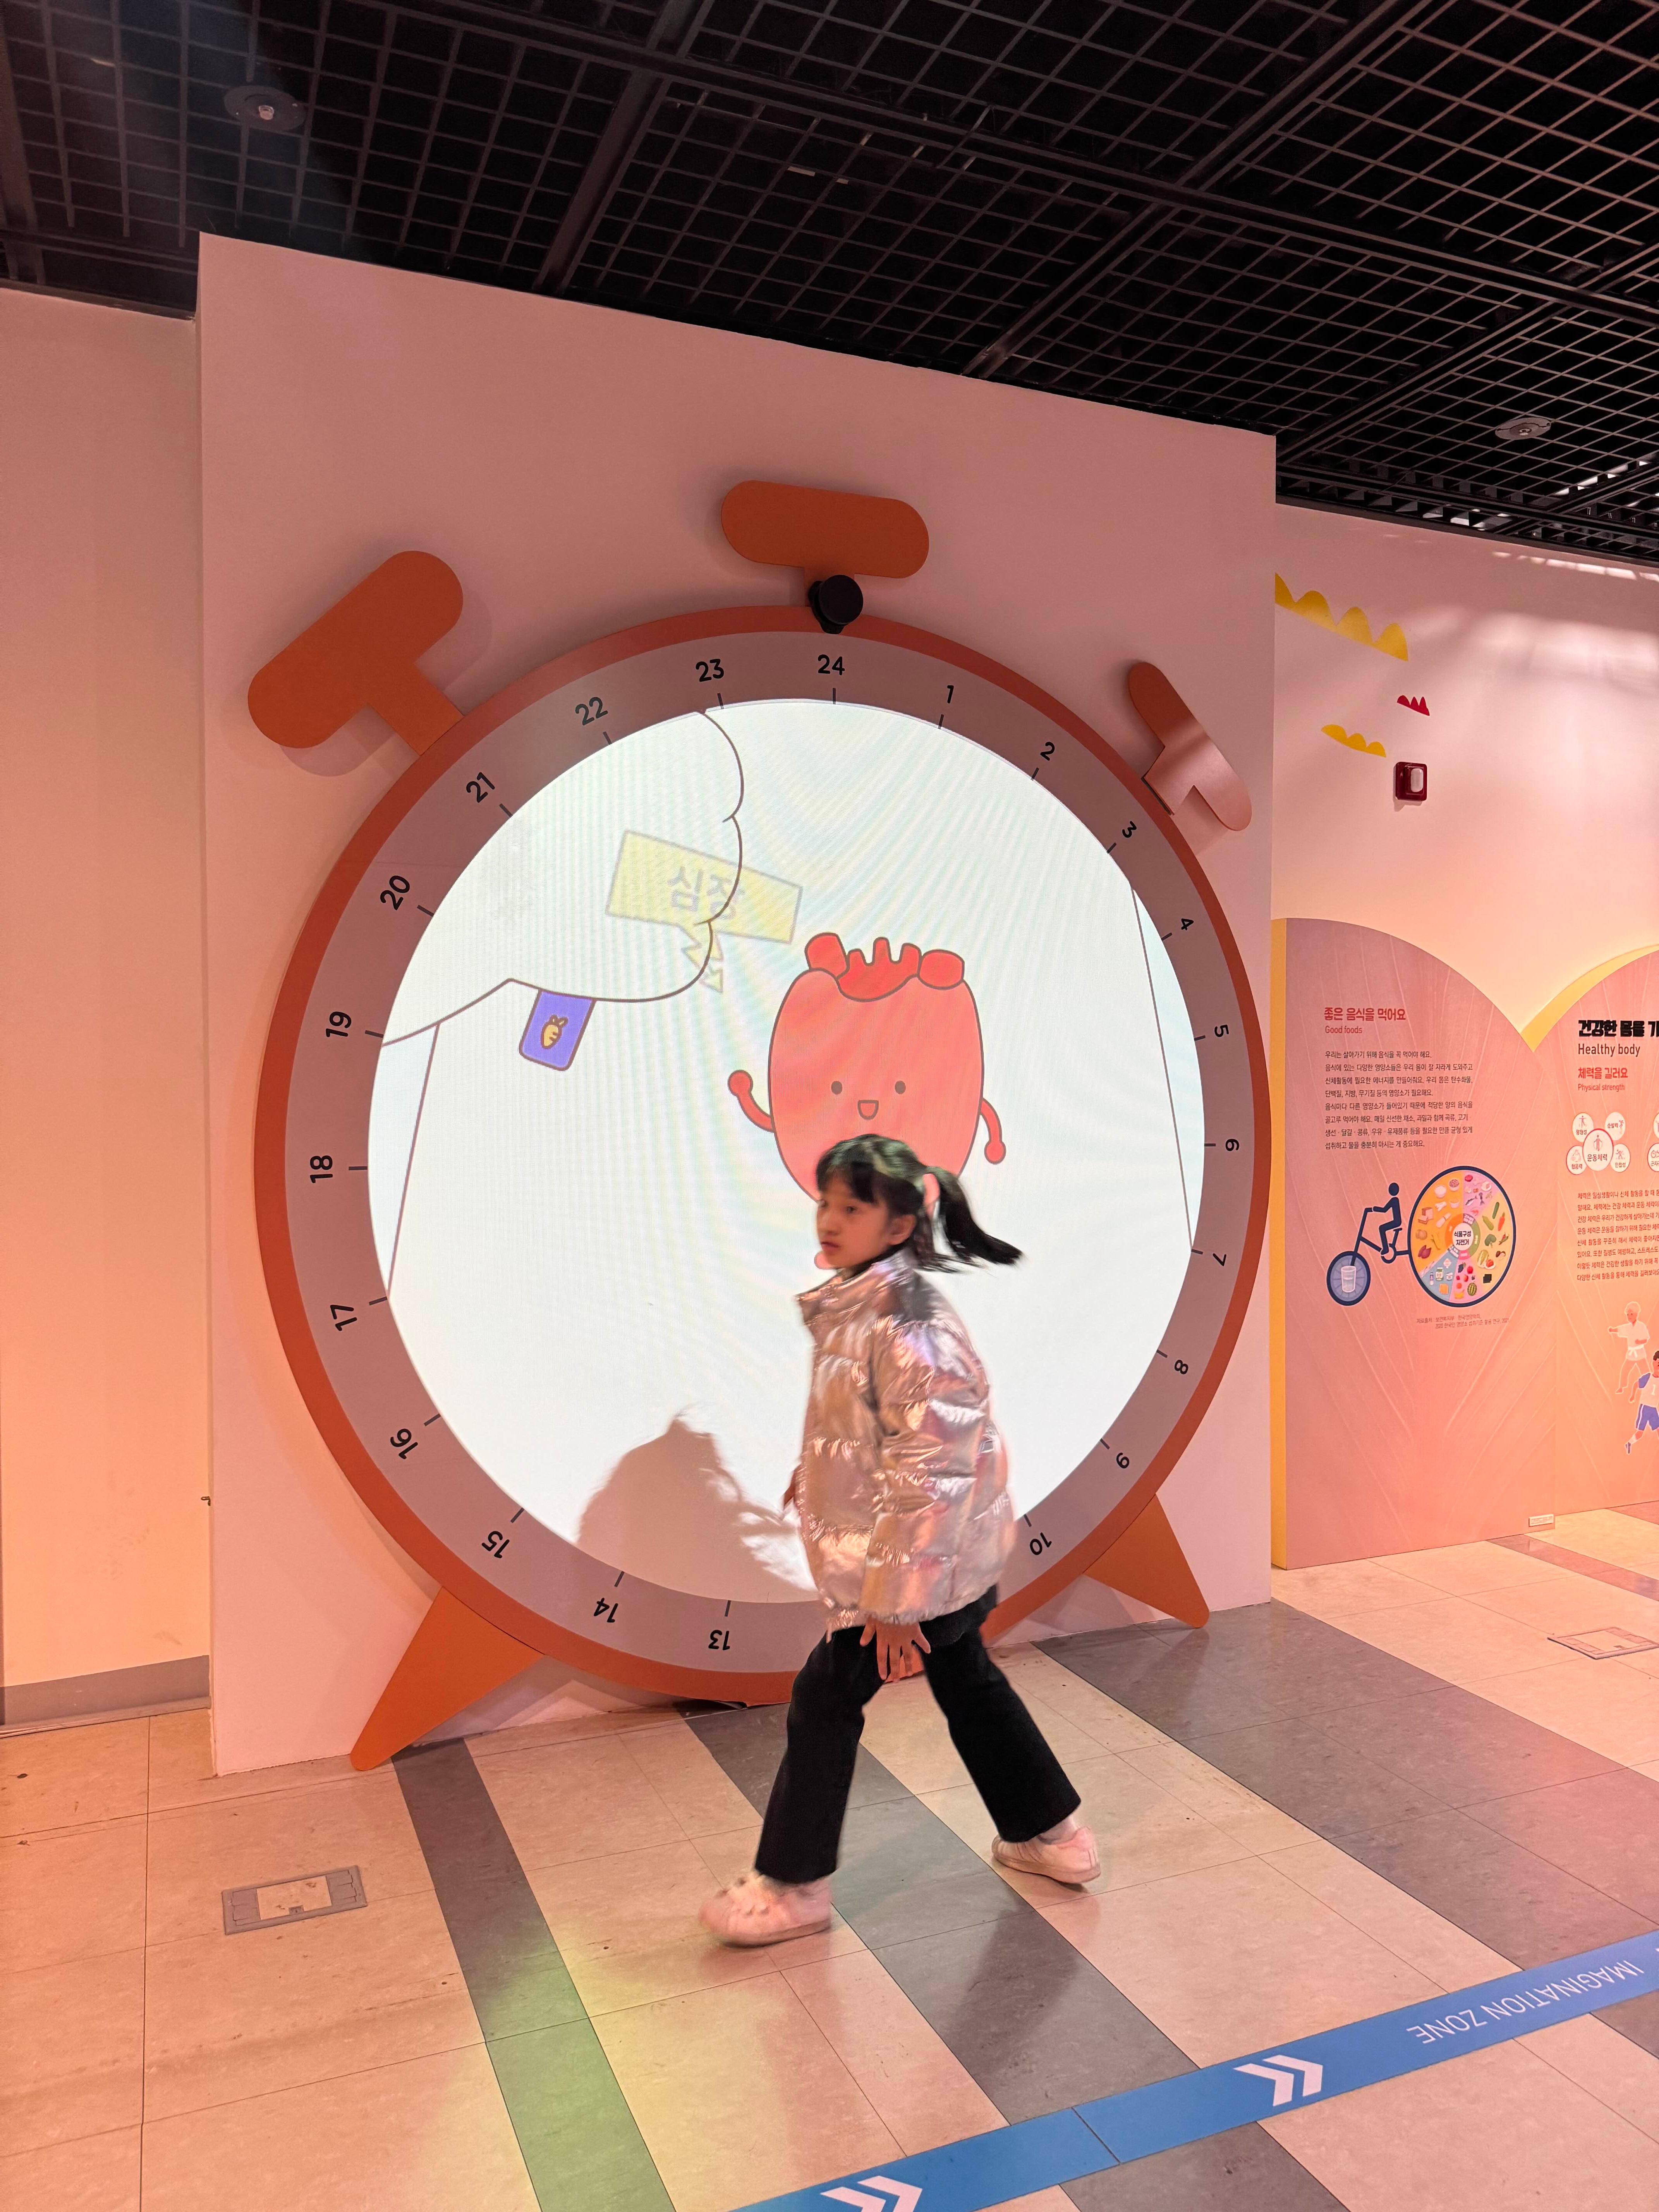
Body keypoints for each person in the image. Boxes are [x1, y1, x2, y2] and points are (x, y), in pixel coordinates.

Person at [700, 1134, 1097, 1947]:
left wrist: (893, 1609)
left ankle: (793, 1885)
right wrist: (816, 1476)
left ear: (899, 1225)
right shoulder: (864, 1304)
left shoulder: (908, 1326)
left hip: (912, 1574)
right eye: (826, 1202)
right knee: (969, 1683)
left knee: (824, 1700)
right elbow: (871, 1432)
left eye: (852, 1207)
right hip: (930, 1562)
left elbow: (930, 1475)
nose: (829, 1219)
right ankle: (1052, 1835)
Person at [1611, 1304, 1649, 1401]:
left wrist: (1640, 1342)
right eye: (1628, 1315)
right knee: (1625, 1370)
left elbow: (1646, 1339)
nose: (1629, 1316)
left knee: (1645, 1371)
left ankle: (1649, 1386)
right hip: (1631, 1355)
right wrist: (1613, 1330)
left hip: (1640, 1353)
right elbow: (1620, 1329)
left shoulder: (1641, 1326)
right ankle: (1622, 1387)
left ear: (1637, 1314)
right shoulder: (1628, 1327)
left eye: (1631, 1314)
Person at [1626, 1365, 1659, 1453]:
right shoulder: (1648, 1377)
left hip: (1654, 1409)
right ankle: (1629, 1443)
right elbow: (1636, 1384)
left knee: (1658, 1428)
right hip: (1645, 1408)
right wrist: (1633, 1396)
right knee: (1640, 1432)